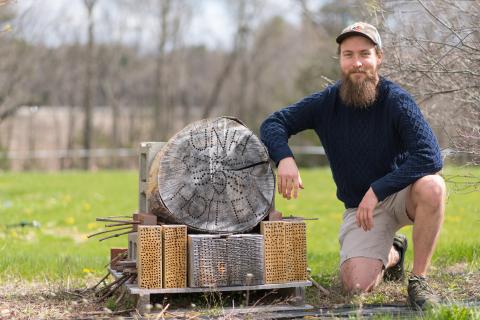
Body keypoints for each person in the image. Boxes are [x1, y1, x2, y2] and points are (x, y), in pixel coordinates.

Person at [260, 21, 446, 310]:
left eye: (364, 54)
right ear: (340, 59)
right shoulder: (326, 102)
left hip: (399, 194)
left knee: (434, 186)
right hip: (359, 207)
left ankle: (418, 280)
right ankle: (394, 249)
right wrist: (284, 157)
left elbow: (430, 156)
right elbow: (274, 122)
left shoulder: (396, 101)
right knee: (357, 286)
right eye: (348, 55)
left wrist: (377, 189)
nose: (357, 62)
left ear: (378, 58)